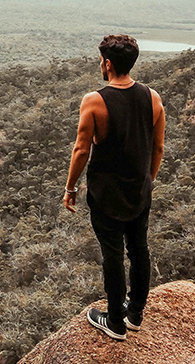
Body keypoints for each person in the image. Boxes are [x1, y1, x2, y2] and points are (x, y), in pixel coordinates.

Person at [63, 34, 165, 340]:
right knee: (139, 249)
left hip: (106, 193)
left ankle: (115, 322)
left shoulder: (94, 100)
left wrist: (70, 189)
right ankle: (135, 314)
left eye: (100, 60)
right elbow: (158, 148)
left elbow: (81, 150)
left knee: (113, 254)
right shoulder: (153, 98)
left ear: (107, 63)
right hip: (139, 190)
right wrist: (148, 181)